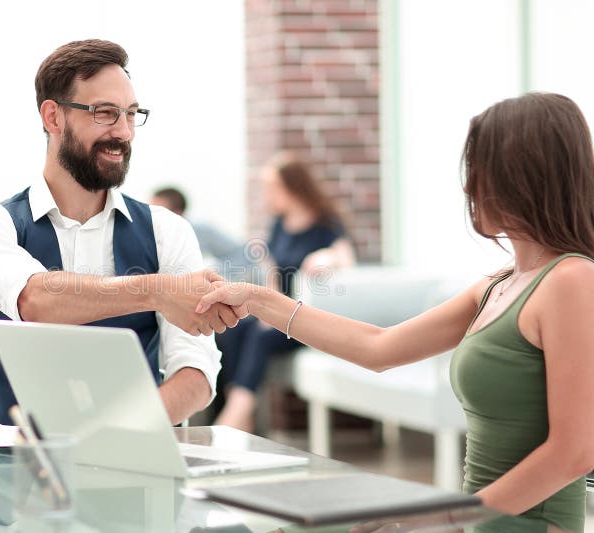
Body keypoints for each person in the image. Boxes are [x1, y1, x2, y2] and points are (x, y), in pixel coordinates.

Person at [197, 93, 594, 532]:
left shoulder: (570, 281)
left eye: (480, 169)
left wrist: (436, 518)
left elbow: (574, 452)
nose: (469, 187)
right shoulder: (498, 286)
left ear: (522, 176)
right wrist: (259, 300)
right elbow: (378, 347)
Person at [0, 39, 238, 428]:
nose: (123, 131)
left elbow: (197, 373)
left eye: (131, 114)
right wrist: (160, 291)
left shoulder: (167, 232)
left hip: (135, 465)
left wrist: (113, 435)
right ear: (53, 117)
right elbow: (35, 301)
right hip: (18, 468)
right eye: (105, 113)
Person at [212, 153, 356, 432]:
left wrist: (328, 257)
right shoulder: (280, 224)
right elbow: (272, 267)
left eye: (271, 186)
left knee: (259, 336)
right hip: (280, 314)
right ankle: (242, 416)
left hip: (306, 319)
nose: (267, 194)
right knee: (232, 329)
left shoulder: (324, 226)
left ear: (291, 187)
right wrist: (268, 306)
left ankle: (233, 420)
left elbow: (345, 257)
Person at [150, 187, 257, 282]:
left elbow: (245, 254)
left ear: (178, 213)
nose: (152, 216)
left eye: (159, 211)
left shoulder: (201, 230)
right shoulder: (152, 236)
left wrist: (215, 276)